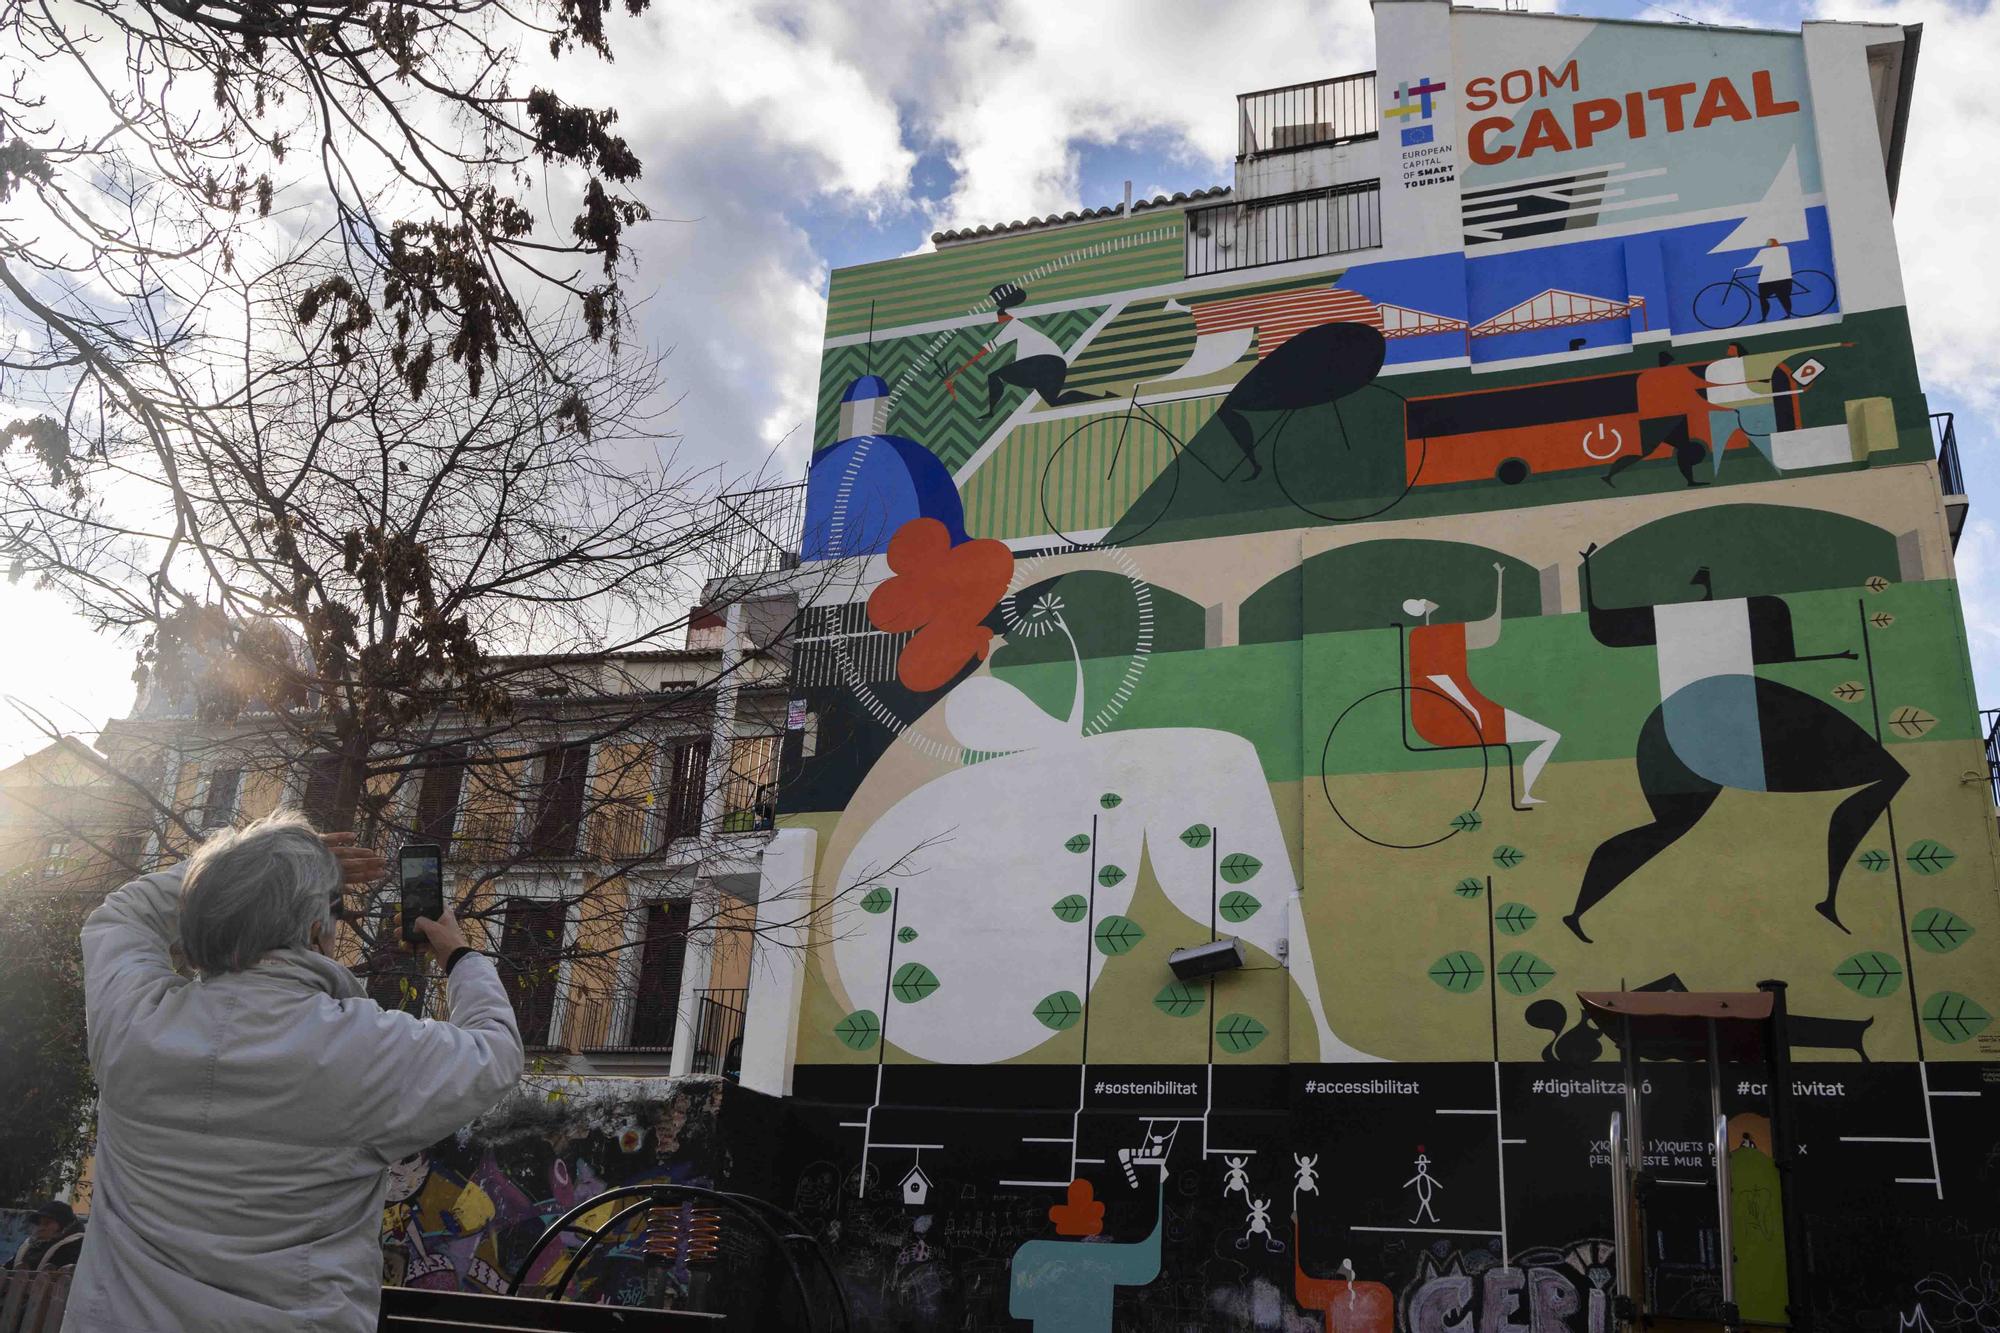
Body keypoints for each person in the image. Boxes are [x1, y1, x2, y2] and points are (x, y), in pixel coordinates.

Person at [63, 810, 524, 1333]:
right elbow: (496, 1050)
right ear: (313, 928)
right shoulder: (366, 1048)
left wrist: (236, 870)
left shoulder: (132, 1025)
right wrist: (457, 954)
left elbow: (123, 915)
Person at [1403, 563, 1561, 805]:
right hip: (1451, 720)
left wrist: (1499, 583)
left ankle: (1527, 794)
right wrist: (1472, 710)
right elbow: (1439, 680)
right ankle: (1525, 794)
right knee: (1548, 736)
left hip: (1471, 712)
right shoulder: (1427, 639)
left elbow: (1489, 631)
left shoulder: (1431, 637)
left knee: (1549, 736)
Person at [946, 283, 1103, 420]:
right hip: (1055, 366)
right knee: (1054, 402)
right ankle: (1102, 397)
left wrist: (956, 374)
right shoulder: (1018, 325)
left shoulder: (1013, 326)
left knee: (995, 376)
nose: (998, 320)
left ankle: (991, 412)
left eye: (999, 316)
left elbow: (985, 351)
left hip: (1041, 363)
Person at [1605, 350, 1714, 488]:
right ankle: (1609, 475)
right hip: (1664, 420)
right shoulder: (1676, 372)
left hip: (1661, 420)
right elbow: (1698, 385)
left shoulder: (1646, 376)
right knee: (1648, 452)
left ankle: (1690, 480)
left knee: (1683, 448)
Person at [8, 1201, 84, 1272]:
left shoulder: (74, 1247)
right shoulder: (29, 1246)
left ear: (63, 1226)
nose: (40, 1228)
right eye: (39, 1223)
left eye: (47, 1223)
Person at [1749, 237, 1794, 322]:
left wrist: (1743, 268)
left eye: (1769, 243)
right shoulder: (1779, 250)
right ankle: (1765, 317)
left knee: (1778, 295)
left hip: (1781, 279)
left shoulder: (1779, 250)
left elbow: (1756, 262)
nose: (1768, 244)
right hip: (1775, 278)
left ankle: (1785, 314)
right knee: (1766, 296)